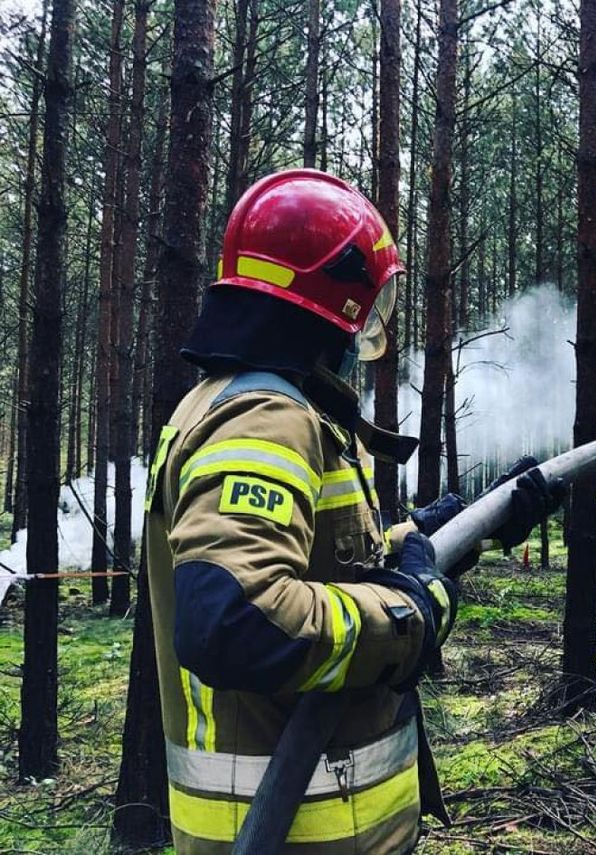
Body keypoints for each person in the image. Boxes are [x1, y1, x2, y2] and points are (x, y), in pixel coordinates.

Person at [144, 168, 558, 854]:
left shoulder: (239, 402)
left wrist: (462, 527)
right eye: (365, 305)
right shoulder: (266, 418)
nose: (364, 327)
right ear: (328, 298)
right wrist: (410, 616)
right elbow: (235, 618)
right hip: (294, 829)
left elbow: (324, 568)